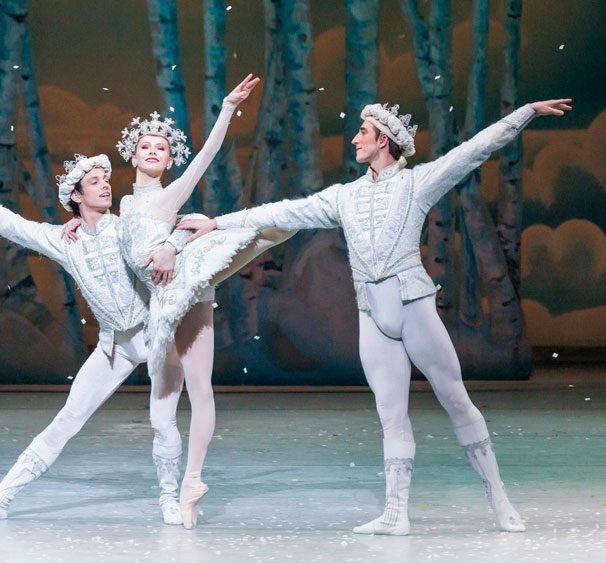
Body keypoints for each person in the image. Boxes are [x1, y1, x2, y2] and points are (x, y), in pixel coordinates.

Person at [178, 99, 574, 535]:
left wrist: (526, 113)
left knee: (456, 399)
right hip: (373, 317)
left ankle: (498, 499)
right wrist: (218, 223)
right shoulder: (344, 197)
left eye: (362, 133)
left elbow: (475, 150)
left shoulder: (417, 183)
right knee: (391, 416)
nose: (354, 139)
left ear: (382, 140)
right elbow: (284, 211)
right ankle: (394, 513)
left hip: (414, 309)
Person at [62, 74, 294, 528]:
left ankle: (191, 480)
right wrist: (72, 222)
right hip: (160, 308)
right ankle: (174, 489)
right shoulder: (123, 205)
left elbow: (206, 156)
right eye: (145, 146)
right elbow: (103, 227)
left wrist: (227, 108)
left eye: (161, 149)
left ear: (169, 161)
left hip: (188, 289)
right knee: (162, 409)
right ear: (131, 155)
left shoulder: (169, 195)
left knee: (201, 387)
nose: (152, 152)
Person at [0, 154, 192, 525]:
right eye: (95, 181)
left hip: (156, 335)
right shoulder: (65, 240)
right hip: (114, 346)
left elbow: (176, 226)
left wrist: (173, 244)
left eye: (106, 179)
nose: (105, 185)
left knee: (162, 421)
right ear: (77, 196)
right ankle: (0, 499)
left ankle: (169, 499)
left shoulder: (127, 224)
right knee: (66, 419)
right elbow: (15, 227)